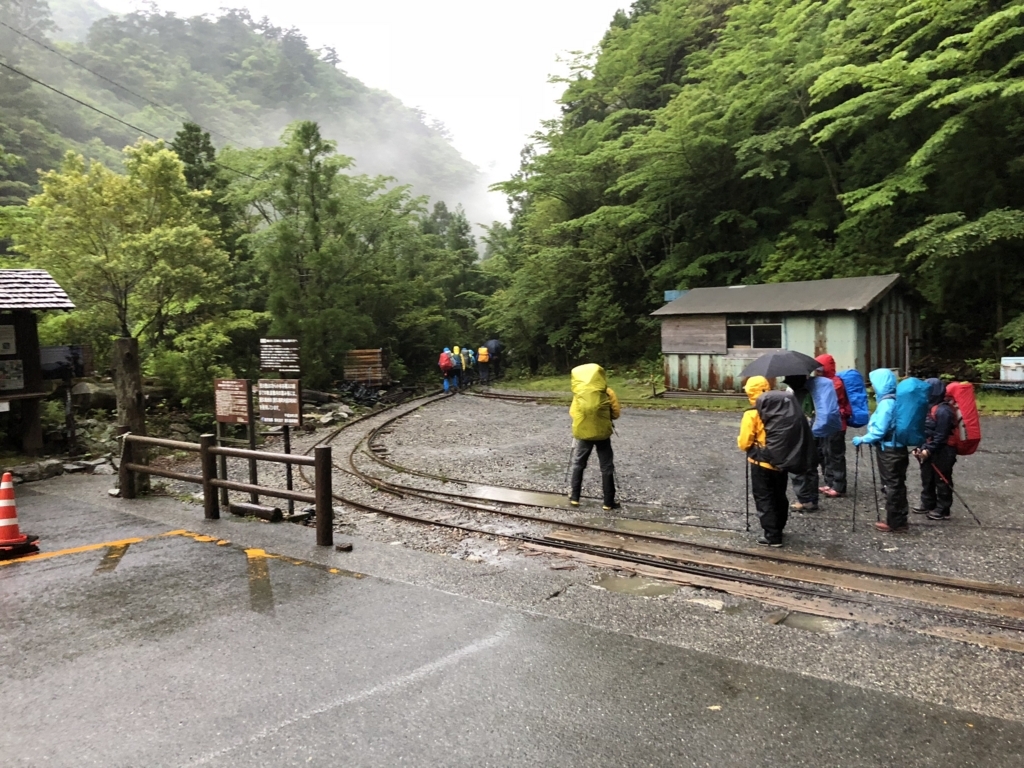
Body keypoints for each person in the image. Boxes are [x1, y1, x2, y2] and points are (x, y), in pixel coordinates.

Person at [853, 369, 909, 533]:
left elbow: (880, 430)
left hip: (889, 450)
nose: (872, 386)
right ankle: (899, 519)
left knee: (891, 485)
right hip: (898, 448)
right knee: (898, 484)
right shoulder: (895, 399)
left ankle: (895, 522)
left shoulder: (886, 403)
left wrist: (864, 439)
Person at [737, 376, 789, 547]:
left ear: (750, 392)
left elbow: (744, 443)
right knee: (779, 495)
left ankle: (772, 535)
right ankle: (779, 527)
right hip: (782, 459)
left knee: (764, 497)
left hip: (761, 462)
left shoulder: (752, 413)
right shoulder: (782, 408)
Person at [568, 363, 621, 511]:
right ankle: (608, 502)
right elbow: (616, 413)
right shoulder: (607, 392)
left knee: (579, 463)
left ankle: (575, 498)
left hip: (584, 434)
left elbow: (573, 413)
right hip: (603, 434)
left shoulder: (579, 393)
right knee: (606, 466)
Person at [914, 378, 956, 521]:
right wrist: (919, 447)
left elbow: (941, 435)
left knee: (941, 479)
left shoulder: (944, 410)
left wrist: (929, 449)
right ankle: (928, 503)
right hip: (929, 448)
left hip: (944, 450)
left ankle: (943, 509)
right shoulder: (928, 407)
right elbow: (925, 430)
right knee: (927, 477)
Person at [815, 354, 852, 498]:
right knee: (825, 453)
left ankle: (839, 486)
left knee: (836, 455)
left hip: (836, 424)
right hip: (824, 423)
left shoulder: (835, 383)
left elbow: (827, 401)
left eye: (820, 368)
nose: (817, 371)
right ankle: (830, 482)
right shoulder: (824, 381)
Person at [783, 374, 818, 512]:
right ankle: (812, 499)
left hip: (798, 434)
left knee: (797, 467)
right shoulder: (812, 392)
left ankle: (804, 500)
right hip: (813, 433)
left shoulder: (793, 396)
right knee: (811, 467)